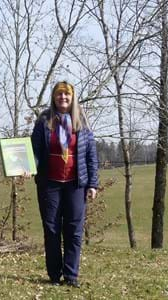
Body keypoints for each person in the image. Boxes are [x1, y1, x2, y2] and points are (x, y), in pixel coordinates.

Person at [31, 81, 98, 288]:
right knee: (51, 229)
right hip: (49, 184)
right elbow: (34, 152)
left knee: (74, 230)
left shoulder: (82, 122)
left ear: (72, 97)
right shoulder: (44, 121)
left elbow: (91, 156)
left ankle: (71, 275)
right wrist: (27, 166)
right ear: (54, 97)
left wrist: (93, 183)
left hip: (75, 184)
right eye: (59, 94)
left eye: (66, 95)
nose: (63, 98)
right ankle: (54, 275)